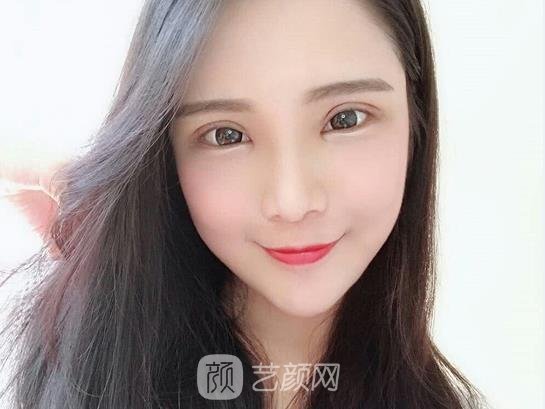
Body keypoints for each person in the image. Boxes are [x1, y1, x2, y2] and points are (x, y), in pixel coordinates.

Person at [0, 0, 489, 408]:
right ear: (166, 155)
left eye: (345, 120)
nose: (291, 202)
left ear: (415, 119)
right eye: (226, 135)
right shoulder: (94, 374)